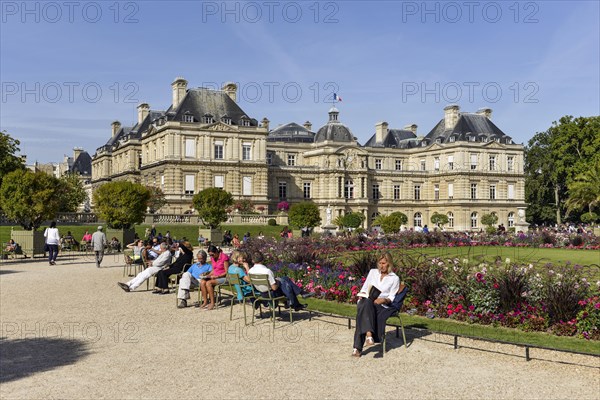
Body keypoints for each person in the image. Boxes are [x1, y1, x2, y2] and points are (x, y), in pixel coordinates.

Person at [352, 251, 400, 357]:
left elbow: (392, 297)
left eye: (383, 263)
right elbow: (365, 288)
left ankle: (357, 348)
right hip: (367, 300)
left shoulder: (394, 278)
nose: (381, 266)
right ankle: (369, 334)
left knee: (362, 309)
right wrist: (363, 294)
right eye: (379, 263)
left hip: (381, 304)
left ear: (389, 264)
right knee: (366, 302)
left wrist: (383, 300)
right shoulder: (373, 272)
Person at [199, 245, 230, 310]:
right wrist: (208, 275)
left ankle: (212, 303)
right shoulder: (213, 258)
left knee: (208, 283)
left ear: (216, 252)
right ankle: (205, 301)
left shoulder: (224, 257)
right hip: (215, 277)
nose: (211, 256)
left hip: (224, 277)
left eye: (212, 255)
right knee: (202, 282)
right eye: (210, 255)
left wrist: (217, 276)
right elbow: (214, 270)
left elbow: (227, 272)